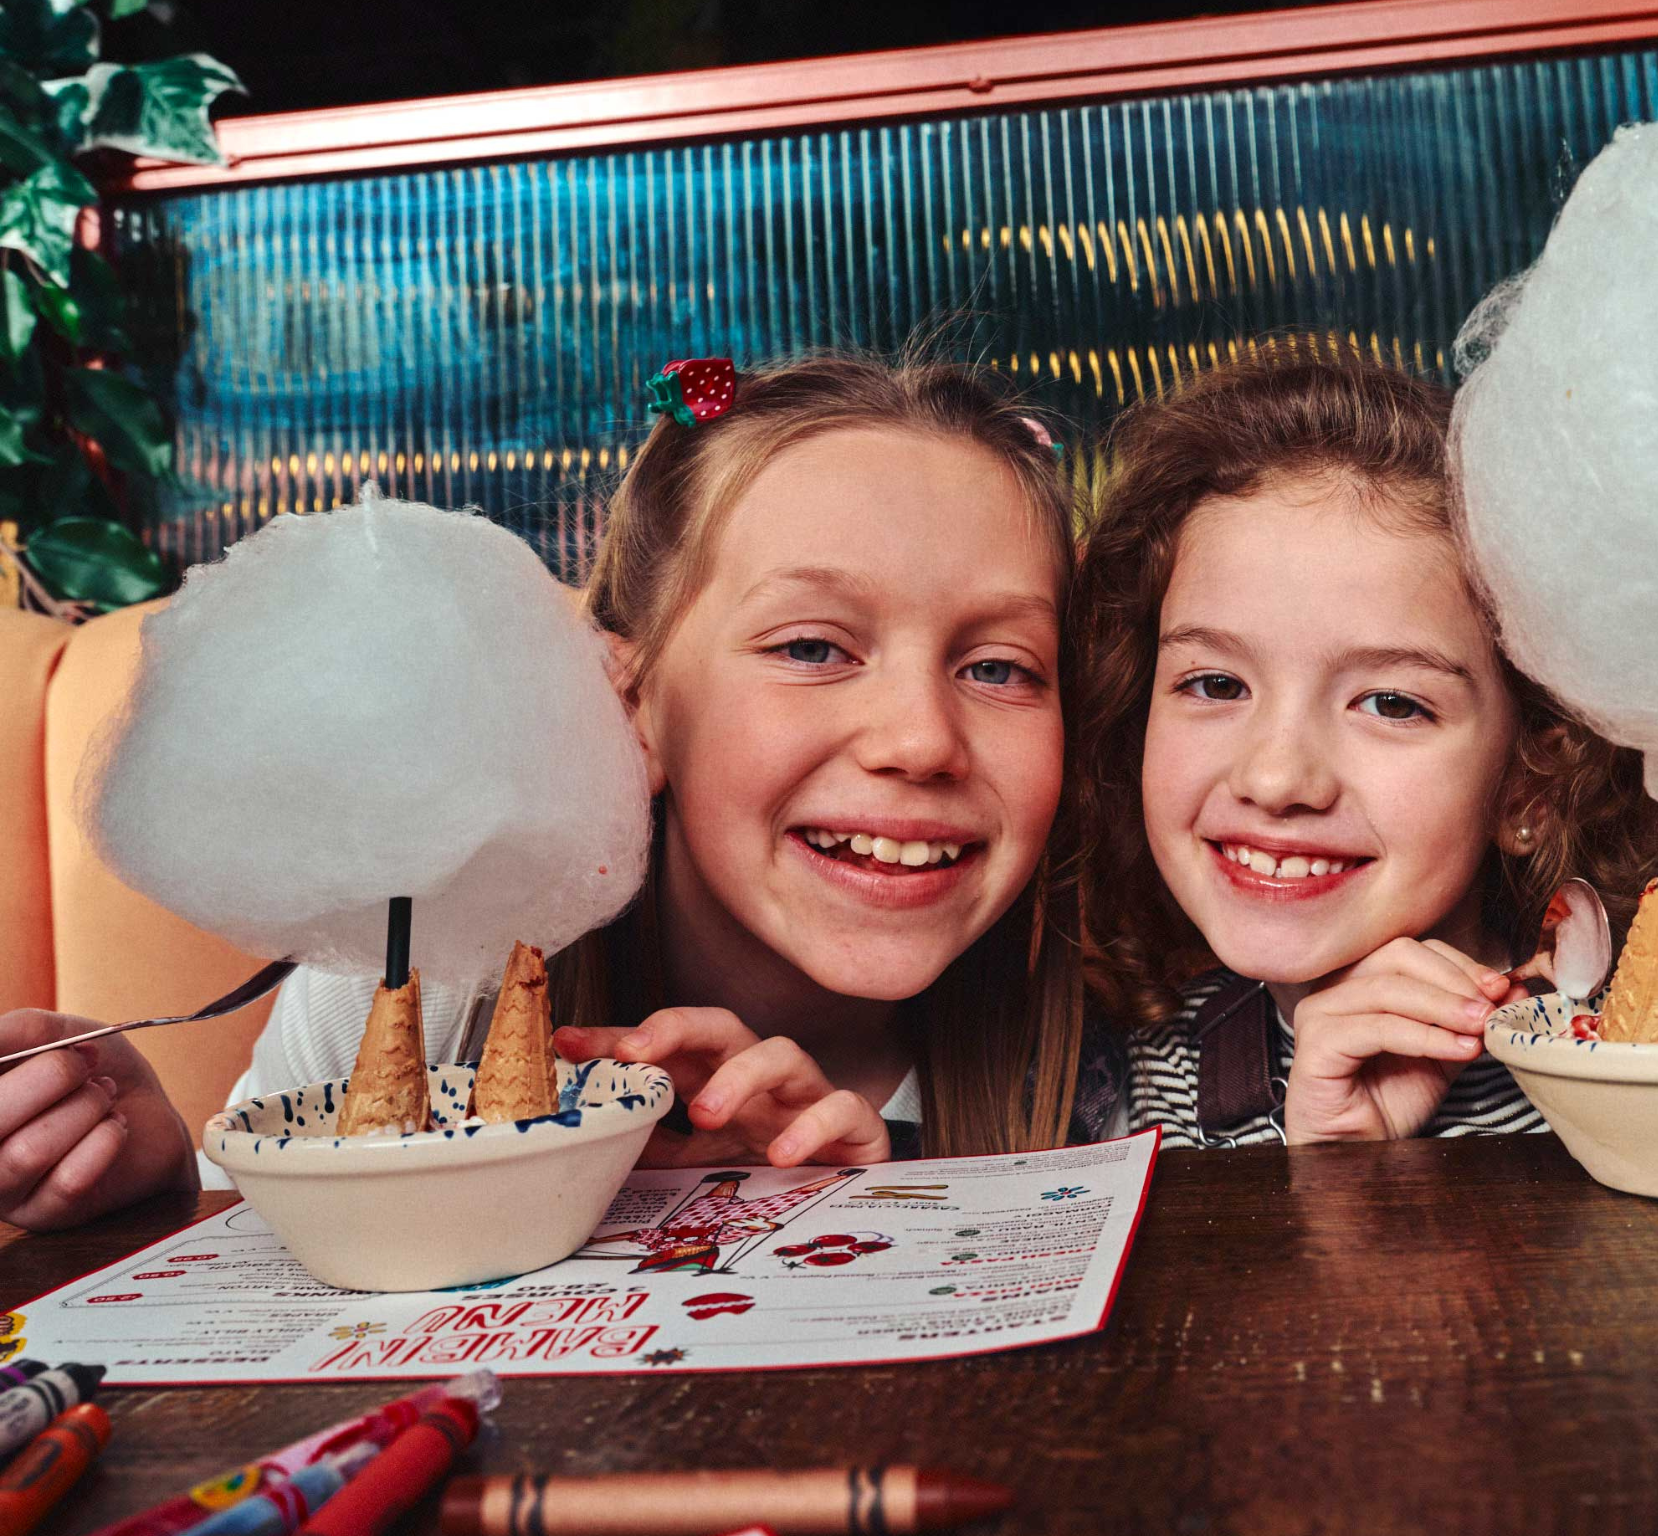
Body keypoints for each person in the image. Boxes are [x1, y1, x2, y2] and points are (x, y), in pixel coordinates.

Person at [0, 352, 1102, 1230]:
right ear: (628, 706)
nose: (919, 740)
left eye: (999, 667)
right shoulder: (413, 984)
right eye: (813, 647)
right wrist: (159, 1187)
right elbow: (280, 1274)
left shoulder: (1121, 1055)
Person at [1070, 348, 1658, 1148]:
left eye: (1390, 703)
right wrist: (1334, 1178)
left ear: (1532, 776)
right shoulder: (1143, 1102)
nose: (1275, 776)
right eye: (1212, 684)